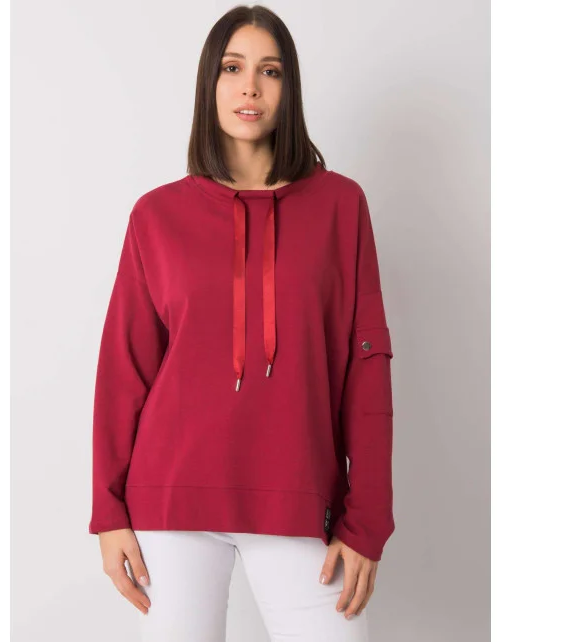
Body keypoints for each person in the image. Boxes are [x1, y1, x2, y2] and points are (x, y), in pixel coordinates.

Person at [88, 5, 395, 641]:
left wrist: (368, 519)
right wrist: (108, 511)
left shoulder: (341, 206)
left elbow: (367, 368)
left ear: (289, 88)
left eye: (269, 71)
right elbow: (124, 368)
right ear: (210, 82)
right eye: (232, 68)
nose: (250, 87)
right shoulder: (155, 216)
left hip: (300, 493)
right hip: (171, 500)